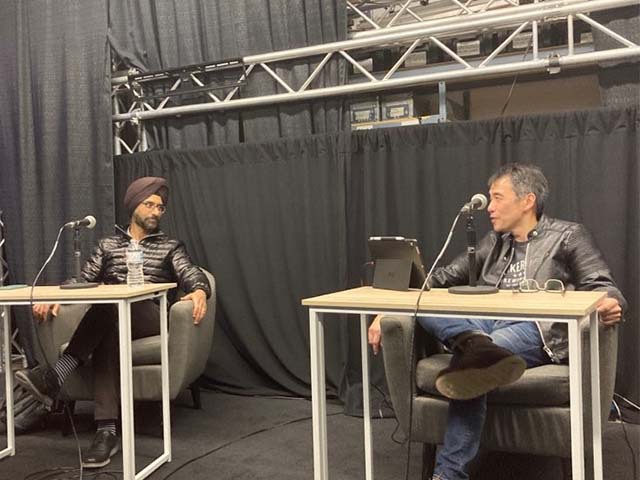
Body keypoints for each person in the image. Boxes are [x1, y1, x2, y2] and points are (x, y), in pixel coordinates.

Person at [368, 163, 626, 480]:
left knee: (474, 364)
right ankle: (473, 343)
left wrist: (610, 303)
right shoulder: (493, 242)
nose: (489, 208)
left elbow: (602, 285)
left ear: (527, 200)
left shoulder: (568, 236)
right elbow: (438, 279)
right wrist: (388, 308)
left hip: (537, 330)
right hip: (485, 324)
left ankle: (448, 474)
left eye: (497, 198)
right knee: (428, 307)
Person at [15, 177, 211, 469]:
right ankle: (106, 432)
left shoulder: (170, 245)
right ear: (134, 206)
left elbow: (191, 272)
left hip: (149, 316)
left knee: (108, 310)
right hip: (113, 316)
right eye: (149, 205)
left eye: (160, 207)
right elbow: (83, 280)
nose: (156, 211)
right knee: (109, 321)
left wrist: (199, 290)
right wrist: (58, 296)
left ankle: (56, 376)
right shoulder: (108, 245)